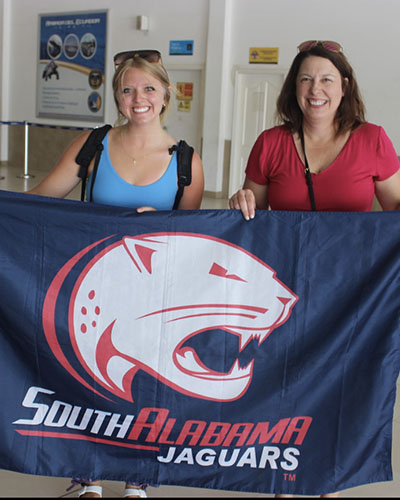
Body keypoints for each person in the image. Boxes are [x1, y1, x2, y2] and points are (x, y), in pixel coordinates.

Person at [27, 49, 204, 498]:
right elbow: (39, 201)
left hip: (155, 296)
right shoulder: (93, 144)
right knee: (88, 379)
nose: (137, 98)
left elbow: (189, 238)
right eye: (127, 90)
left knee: (143, 386)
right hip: (96, 286)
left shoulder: (186, 162)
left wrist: (159, 225)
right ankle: (87, 476)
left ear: (166, 95)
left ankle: (137, 479)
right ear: (117, 98)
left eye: (148, 88)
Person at [229, 40, 400, 498]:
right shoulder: (271, 143)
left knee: (339, 387)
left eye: (326, 78)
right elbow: (251, 215)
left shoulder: (373, 140)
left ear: (344, 86)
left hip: (353, 295)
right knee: (284, 384)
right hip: (285, 291)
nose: (315, 88)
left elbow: (397, 209)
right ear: (293, 88)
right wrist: (241, 200)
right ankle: (283, 478)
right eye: (305, 78)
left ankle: (327, 481)